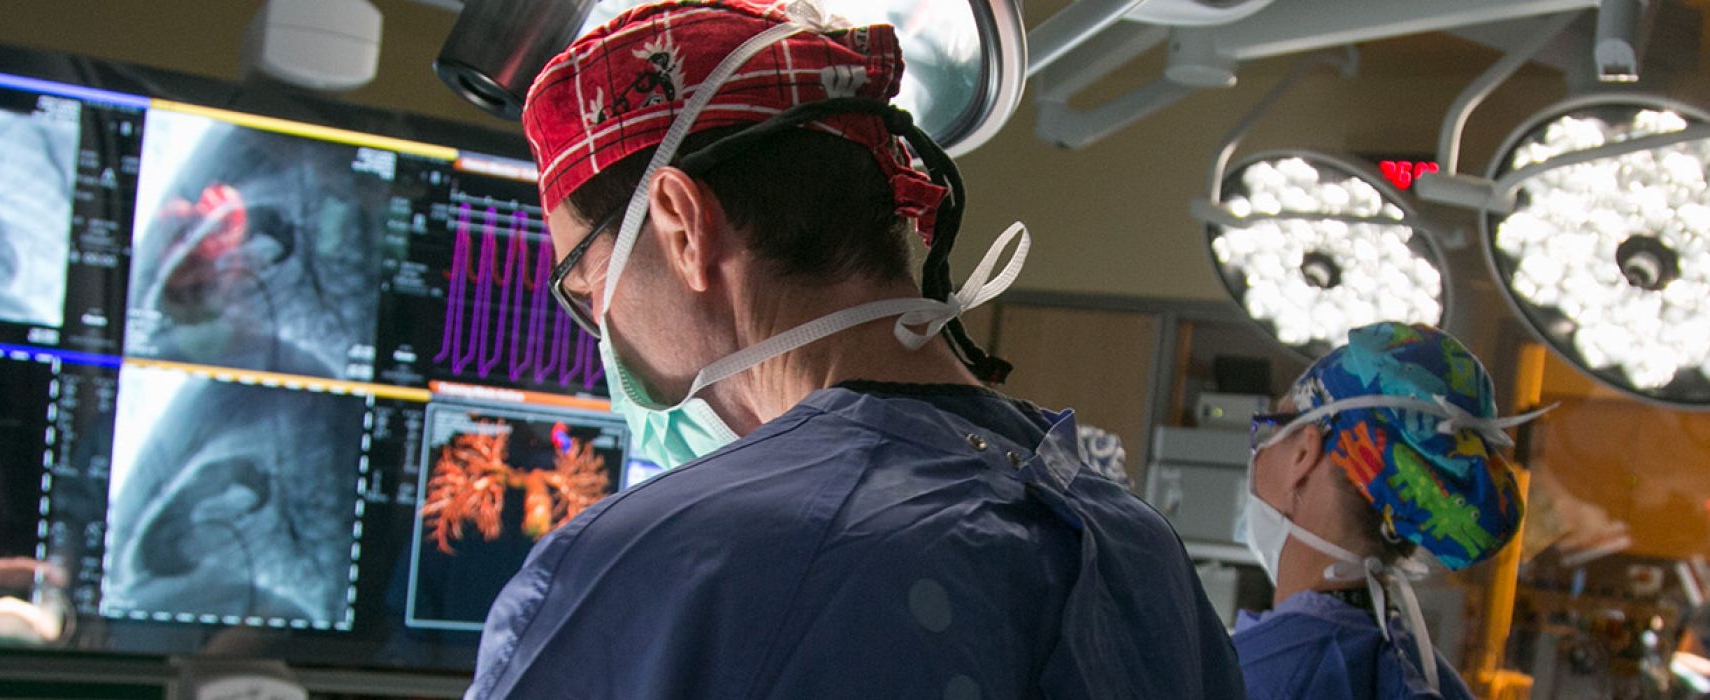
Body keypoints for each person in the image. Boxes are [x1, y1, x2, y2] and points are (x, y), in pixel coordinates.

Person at [465, 1, 1246, 697]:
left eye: (585, 283)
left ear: (679, 224)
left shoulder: (647, 574)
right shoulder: (1137, 554)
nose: (602, 330)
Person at [1233, 322, 1547, 699]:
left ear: (1303, 454)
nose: (1260, 453)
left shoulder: (1268, 678)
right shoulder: (1426, 675)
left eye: (1274, 428)